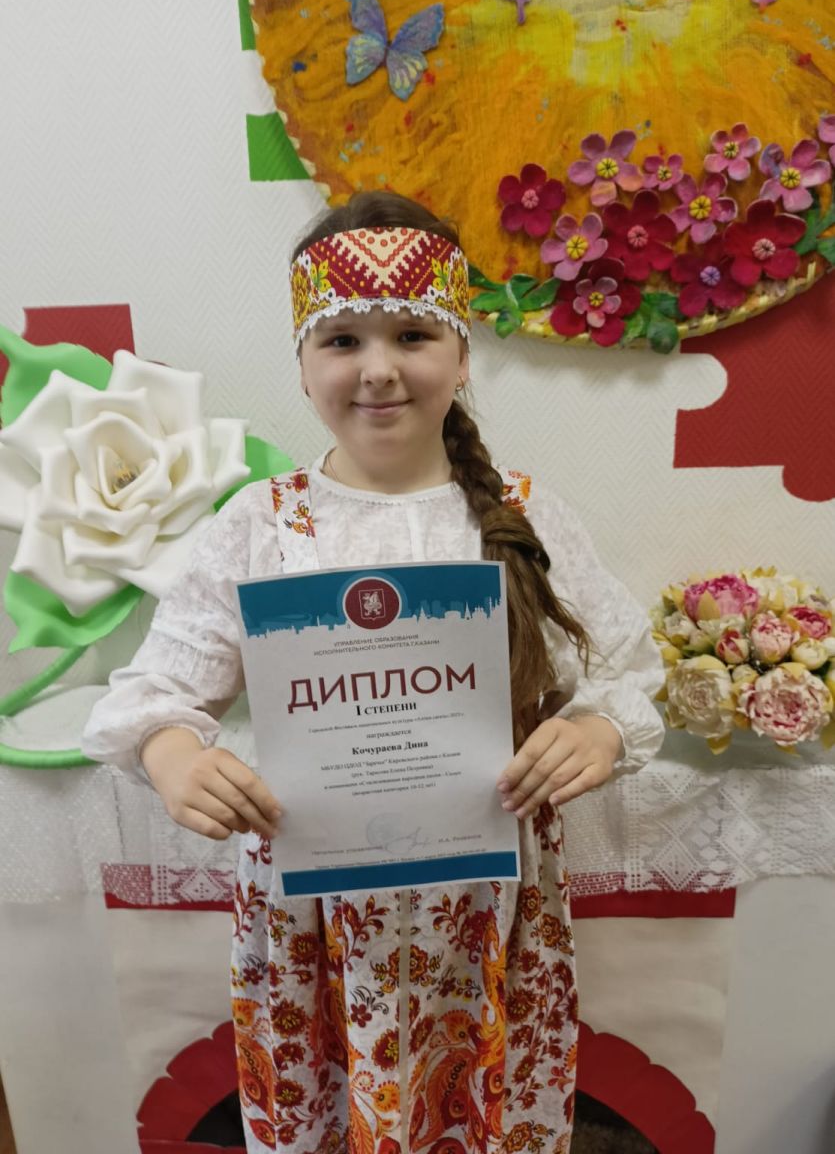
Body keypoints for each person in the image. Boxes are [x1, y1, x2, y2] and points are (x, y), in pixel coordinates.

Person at [82, 191, 664, 1154]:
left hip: (489, 913)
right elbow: (157, 692)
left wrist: (597, 730)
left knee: (486, 1117)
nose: (379, 369)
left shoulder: (523, 514)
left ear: (462, 354)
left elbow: (624, 671)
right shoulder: (260, 525)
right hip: (310, 919)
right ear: (303, 364)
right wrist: (172, 754)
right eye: (342, 340)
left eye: (413, 335)